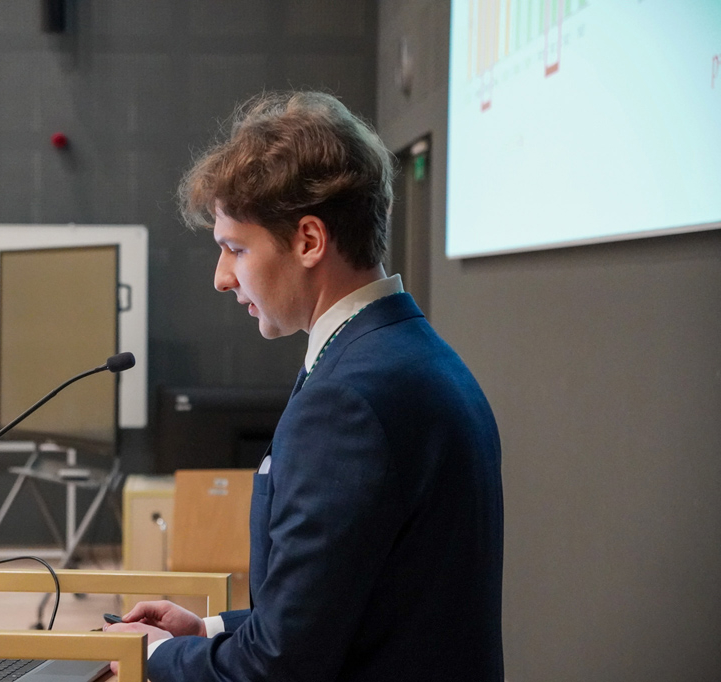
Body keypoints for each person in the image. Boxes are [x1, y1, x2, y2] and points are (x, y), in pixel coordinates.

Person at [107, 91, 504, 681]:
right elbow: (350, 607)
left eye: (235, 249)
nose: (221, 278)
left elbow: (280, 666)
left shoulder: (349, 400)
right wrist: (209, 631)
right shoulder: (415, 356)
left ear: (310, 241)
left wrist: (157, 657)